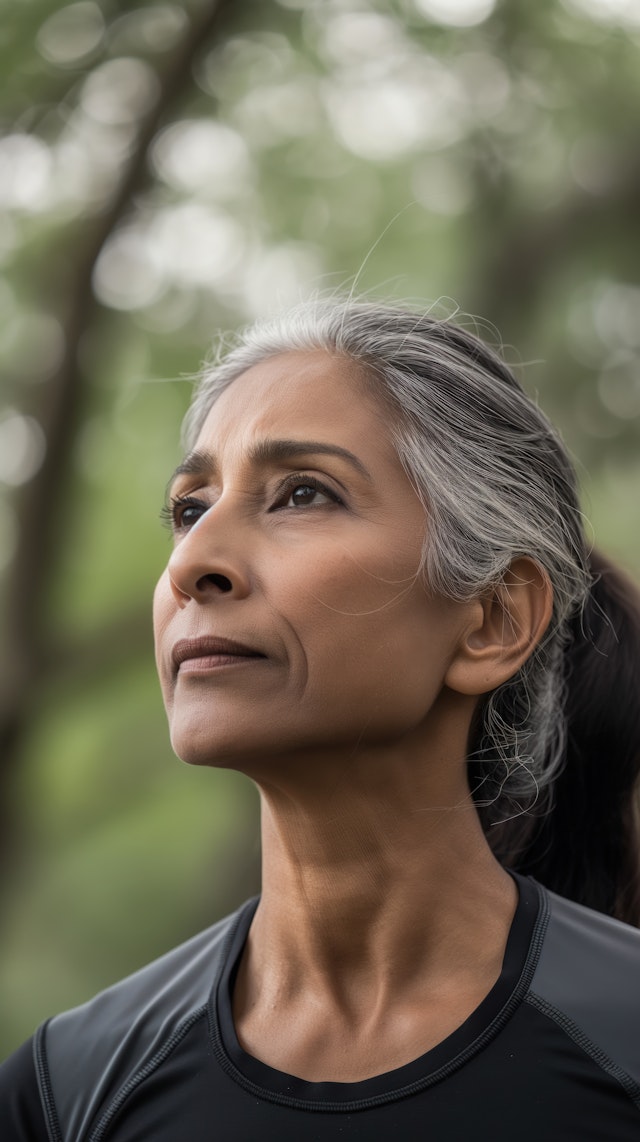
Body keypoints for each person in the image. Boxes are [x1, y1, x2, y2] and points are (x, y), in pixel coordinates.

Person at [2, 298, 640, 1140]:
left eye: (302, 494)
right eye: (190, 507)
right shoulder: (69, 1087)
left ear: (491, 619)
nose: (193, 562)